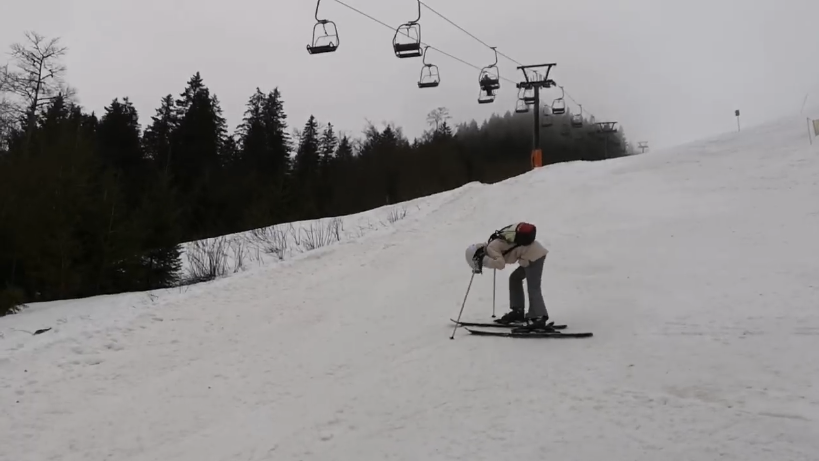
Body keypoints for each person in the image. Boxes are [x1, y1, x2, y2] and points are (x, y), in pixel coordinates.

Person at [465, 223, 550, 330]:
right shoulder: (491, 245)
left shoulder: (491, 248)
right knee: (515, 278)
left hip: (534, 256)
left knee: (533, 287)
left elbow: (500, 264)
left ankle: (539, 317)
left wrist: (486, 261)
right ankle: (518, 311)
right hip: (530, 255)